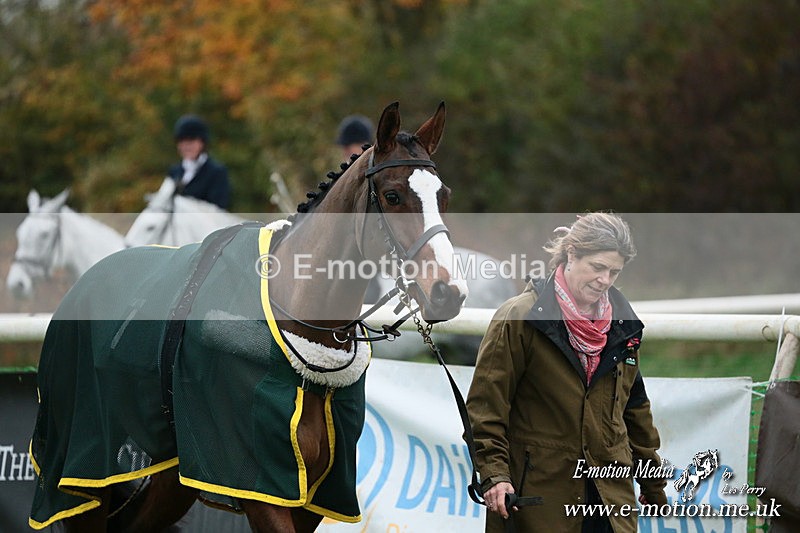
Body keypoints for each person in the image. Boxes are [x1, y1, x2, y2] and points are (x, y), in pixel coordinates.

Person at [466, 212, 667, 533]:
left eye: (614, 272)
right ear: (571, 254)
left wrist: (653, 483)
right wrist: (495, 475)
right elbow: (485, 408)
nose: (605, 280)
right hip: (538, 498)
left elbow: (634, 411)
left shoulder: (624, 325)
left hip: (610, 499)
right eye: (598, 267)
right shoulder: (518, 317)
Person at [167, 114, 231, 210]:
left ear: (202, 142)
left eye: (191, 141)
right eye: (182, 141)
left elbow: (218, 207)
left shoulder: (216, 172)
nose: (186, 146)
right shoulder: (174, 171)